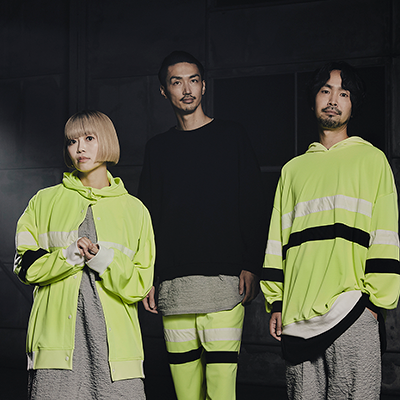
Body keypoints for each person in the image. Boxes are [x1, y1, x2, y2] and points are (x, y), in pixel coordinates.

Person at [261, 61, 400, 399]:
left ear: (353, 104)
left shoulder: (372, 161)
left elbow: (385, 235)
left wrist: (374, 303)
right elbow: (277, 241)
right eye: (325, 91)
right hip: (297, 315)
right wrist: (276, 301)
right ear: (313, 101)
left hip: (353, 311)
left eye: (344, 93)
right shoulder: (293, 170)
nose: (333, 99)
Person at [138, 51, 267, 399]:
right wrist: (148, 276)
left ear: (204, 86)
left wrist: (251, 265)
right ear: (164, 91)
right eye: (176, 82)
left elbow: (254, 204)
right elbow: (146, 218)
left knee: (222, 390)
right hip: (174, 286)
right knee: (186, 393)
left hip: (225, 282)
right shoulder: (157, 149)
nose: (187, 89)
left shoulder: (232, 136)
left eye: (193, 80)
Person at [14, 110, 155, 399]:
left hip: (117, 354)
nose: (80, 148)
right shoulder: (43, 201)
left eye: (89, 138)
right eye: (72, 141)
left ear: (108, 141)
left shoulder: (135, 211)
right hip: (54, 350)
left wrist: (103, 260)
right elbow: (25, 265)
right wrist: (69, 256)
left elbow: (140, 284)